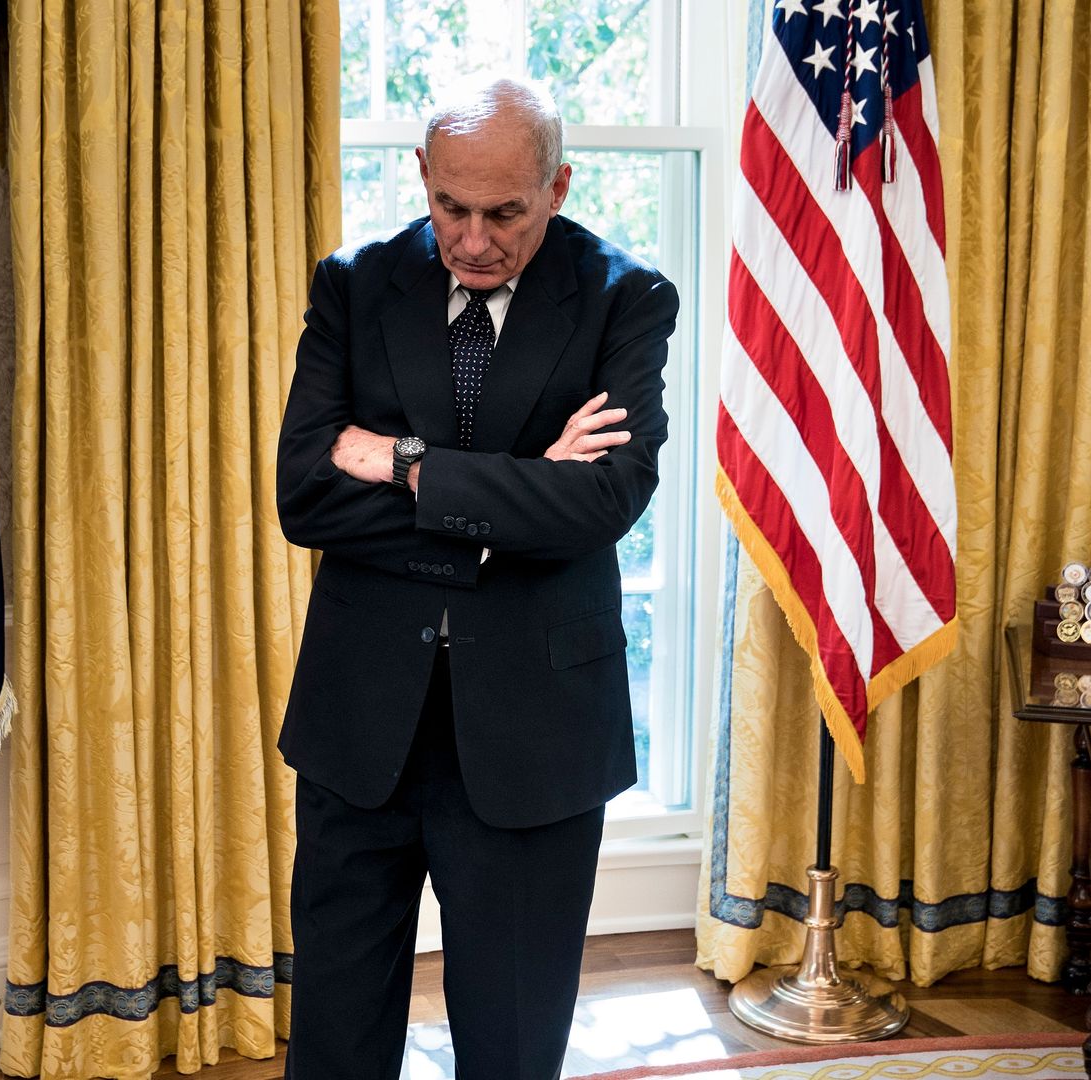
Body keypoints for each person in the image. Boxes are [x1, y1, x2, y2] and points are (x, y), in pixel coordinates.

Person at [274, 78, 678, 1079]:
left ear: (557, 187)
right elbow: (307, 499)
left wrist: (407, 466)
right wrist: (522, 495)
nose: (473, 239)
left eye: (504, 212)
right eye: (450, 206)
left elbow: (604, 502)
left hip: (534, 732)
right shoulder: (354, 287)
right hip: (360, 720)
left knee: (508, 1046)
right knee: (333, 1043)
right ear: (422, 175)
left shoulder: (626, 298)